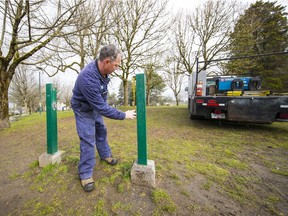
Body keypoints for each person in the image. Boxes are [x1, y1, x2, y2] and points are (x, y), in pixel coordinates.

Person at [71, 44, 136, 192]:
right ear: (107, 62)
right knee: (88, 138)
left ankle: (105, 155)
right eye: (116, 65)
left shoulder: (104, 72)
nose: (117, 69)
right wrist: (123, 115)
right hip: (83, 108)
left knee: (101, 130)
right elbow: (101, 107)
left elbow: (101, 99)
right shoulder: (87, 78)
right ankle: (86, 174)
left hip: (94, 105)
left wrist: (104, 106)